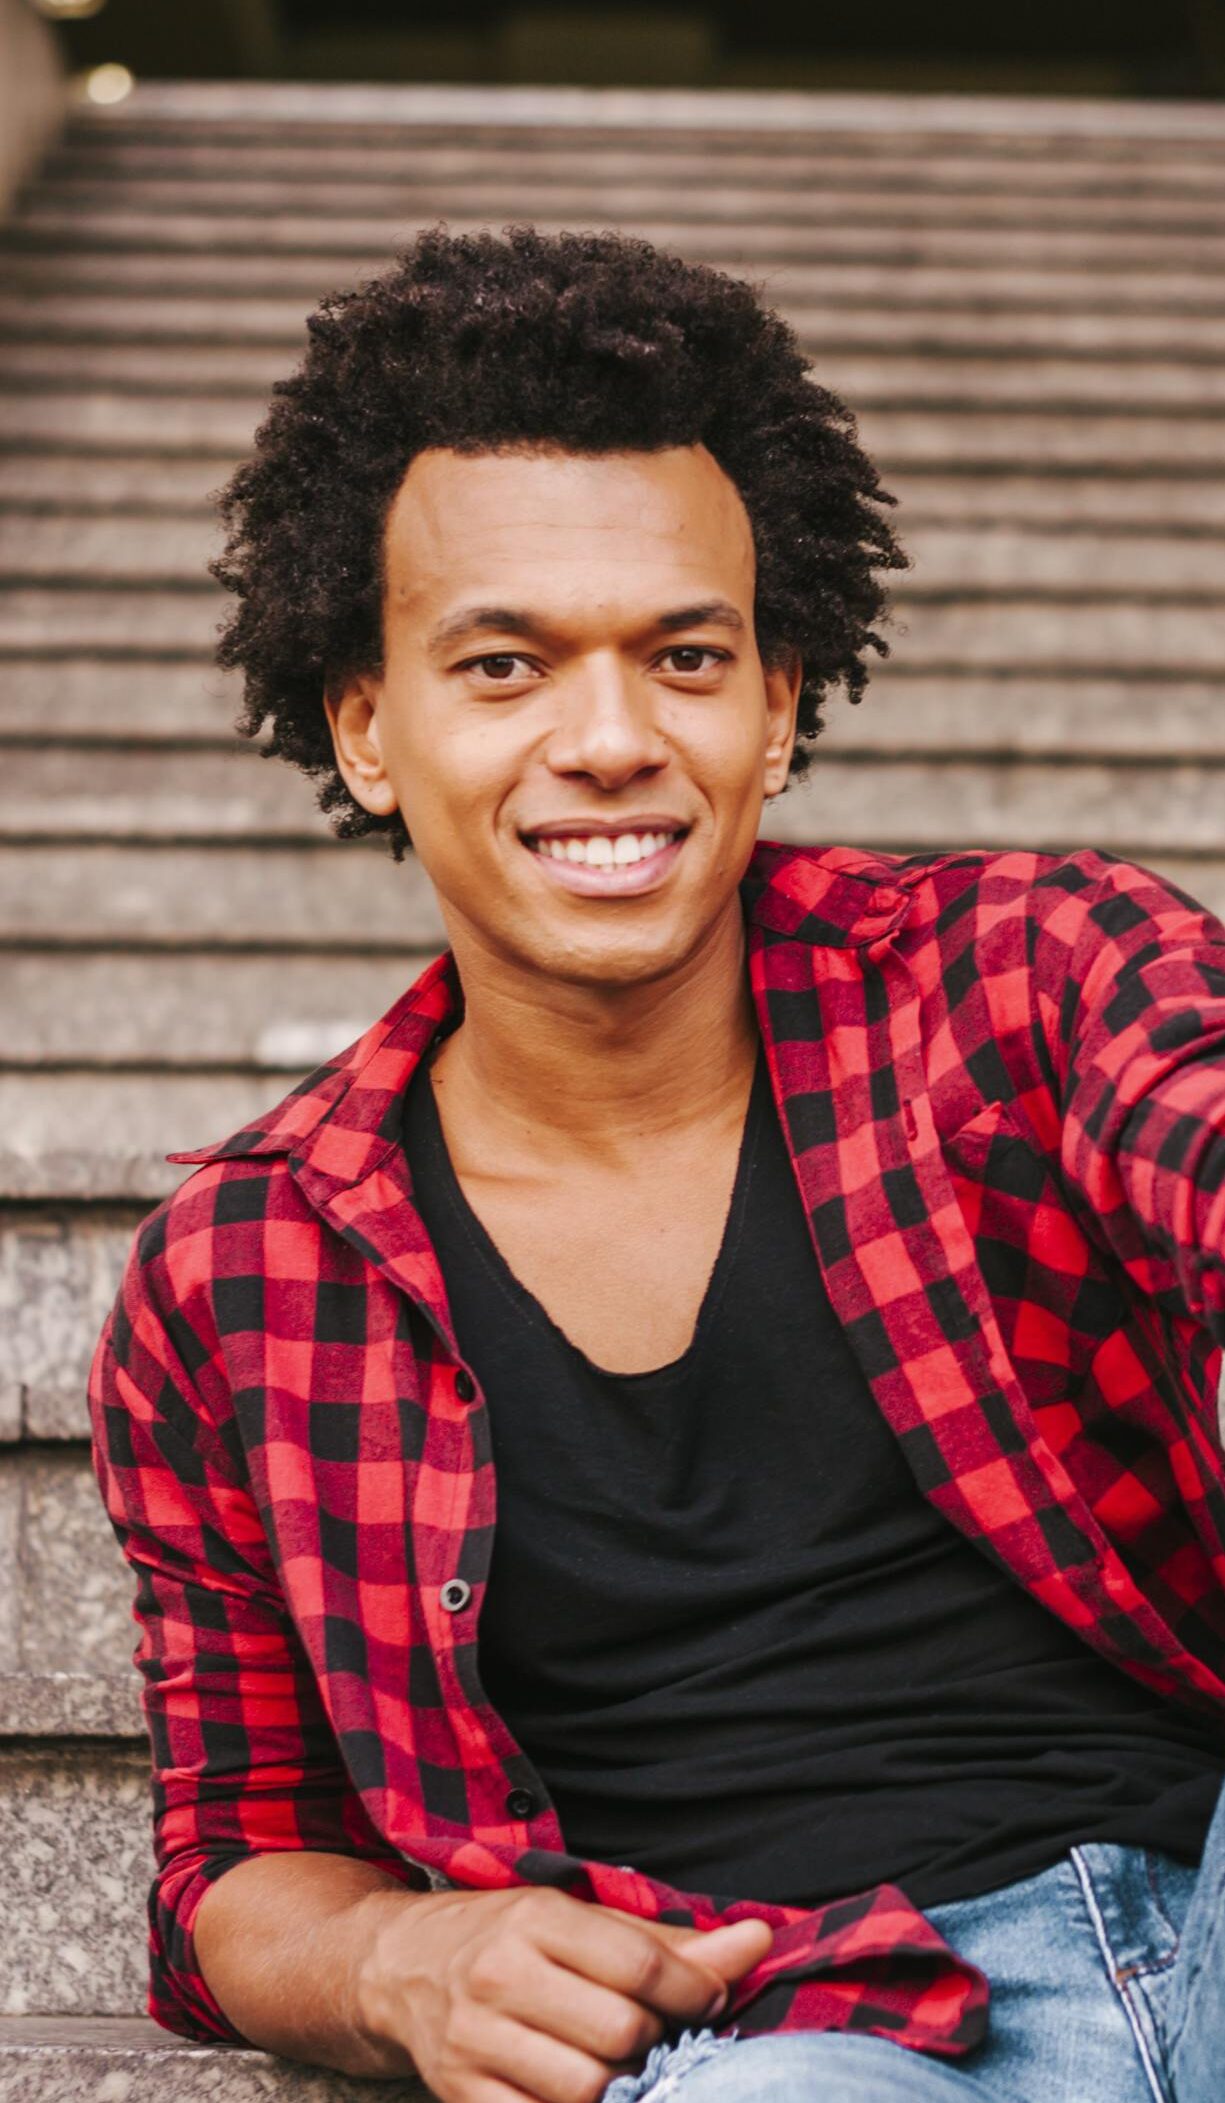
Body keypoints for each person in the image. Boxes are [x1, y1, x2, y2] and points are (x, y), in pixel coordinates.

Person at [88, 226, 1225, 2103]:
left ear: (778, 703)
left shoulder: (1032, 976)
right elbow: (230, 1860)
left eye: (684, 657)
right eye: (508, 663)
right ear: (368, 727)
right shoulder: (247, 1275)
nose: (611, 740)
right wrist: (389, 1952)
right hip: (795, 2031)